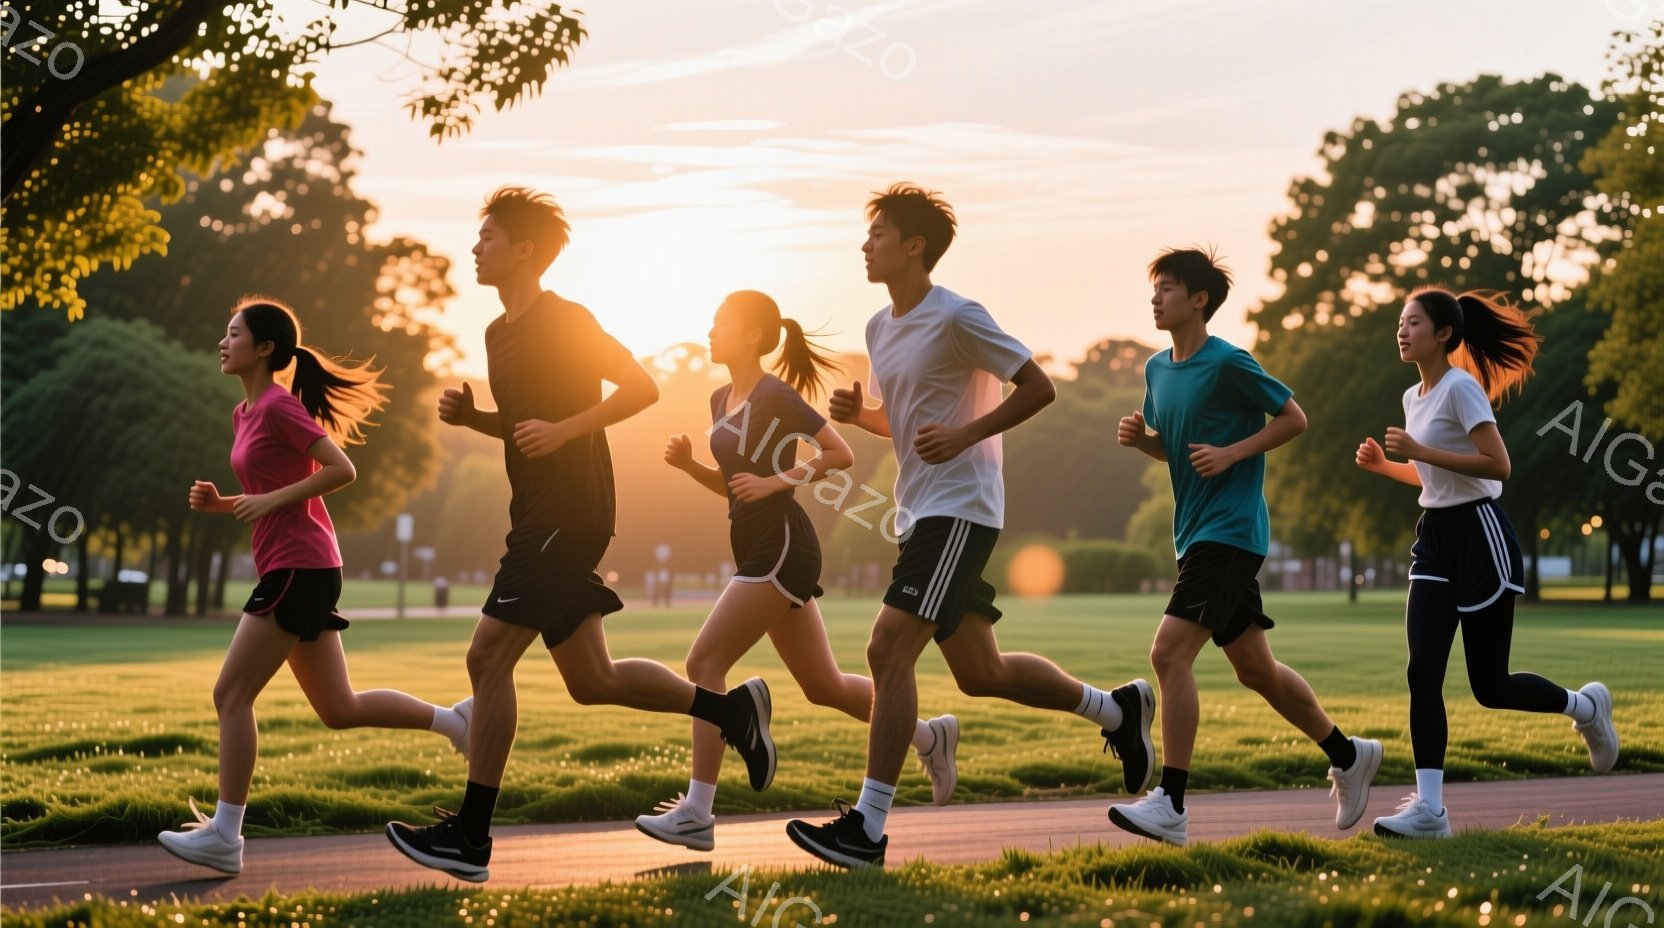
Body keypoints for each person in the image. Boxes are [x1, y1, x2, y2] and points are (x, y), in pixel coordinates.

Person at [384, 188, 774, 882]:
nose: (477, 248)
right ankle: (734, 710)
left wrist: (567, 429)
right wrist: (478, 419)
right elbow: (525, 424)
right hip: (538, 511)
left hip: (570, 511)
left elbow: (640, 387)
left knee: (487, 659)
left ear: (526, 249)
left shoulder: (566, 318)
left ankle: (471, 838)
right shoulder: (498, 332)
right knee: (592, 680)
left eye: (490, 238)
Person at [784, 184, 1154, 870]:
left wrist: (966, 435)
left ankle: (866, 828)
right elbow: (909, 427)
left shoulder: (958, 316)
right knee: (981, 671)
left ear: (914, 245)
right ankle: (1118, 710)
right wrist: (859, 416)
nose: (865, 245)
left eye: (878, 234)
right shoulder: (879, 327)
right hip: (919, 507)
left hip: (961, 507)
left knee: (887, 650)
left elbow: (1039, 387)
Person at [636, 290, 959, 852]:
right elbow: (735, 485)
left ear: (754, 336)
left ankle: (697, 810)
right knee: (823, 686)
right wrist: (693, 466)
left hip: (782, 546)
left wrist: (777, 482)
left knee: (704, 661)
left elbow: (839, 454)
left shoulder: (774, 395)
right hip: (756, 543)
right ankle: (930, 737)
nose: (711, 331)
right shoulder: (720, 398)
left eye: (721, 323)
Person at [158, 297, 470, 875]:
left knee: (231, 695)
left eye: (233, 334)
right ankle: (457, 721)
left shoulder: (278, 406)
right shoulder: (243, 413)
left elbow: (340, 469)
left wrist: (268, 500)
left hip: (299, 566)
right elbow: (265, 495)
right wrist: (221, 505)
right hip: (297, 563)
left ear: (265, 348)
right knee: (338, 707)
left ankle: (226, 836)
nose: (223, 343)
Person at [1110, 247, 1382, 847]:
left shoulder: (1229, 363)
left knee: (1169, 655)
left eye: (1168, 288)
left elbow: (1294, 418)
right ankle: (1348, 754)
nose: (1156, 298)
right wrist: (1143, 443)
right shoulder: (1157, 369)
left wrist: (1235, 451)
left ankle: (1172, 805)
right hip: (1196, 534)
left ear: (1199, 299)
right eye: (1154, 288)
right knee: (1255, 668)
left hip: (1231, 532)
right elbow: (1176, 449)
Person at [1356, 287, 1618, 839]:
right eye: (1399, 324)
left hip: (1480, 534)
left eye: (1413, 323)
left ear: (1444, 333)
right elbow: (1434, 479)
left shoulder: (1461, 388)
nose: (1401, 332)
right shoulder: (1413, 397)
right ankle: (1431, 811)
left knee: (1489, 684)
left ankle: (1585, 708)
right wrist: (1388, 468)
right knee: (1421, 670)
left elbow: (1496, 467)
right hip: (1434, 538)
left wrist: (1420, 452)